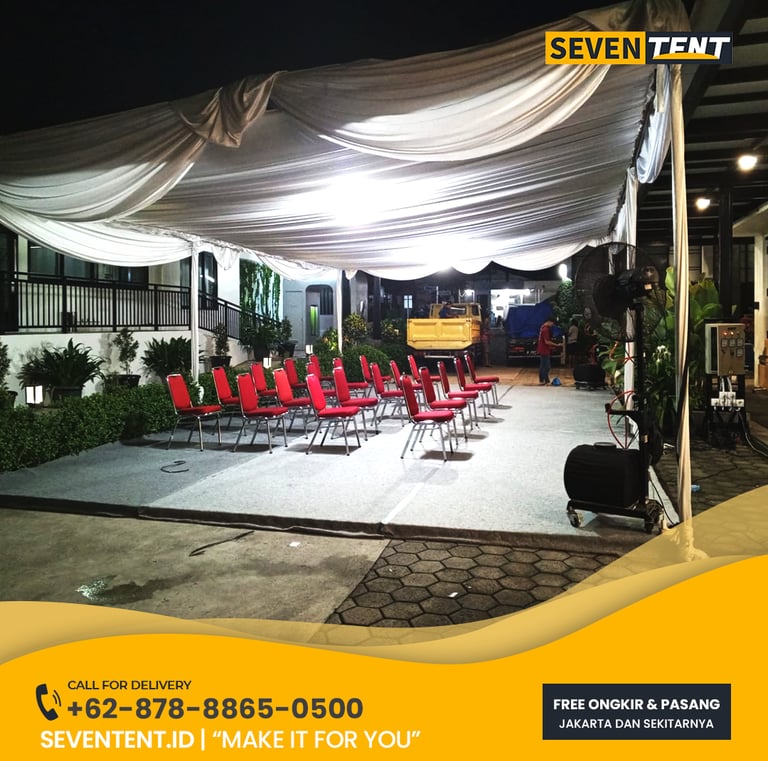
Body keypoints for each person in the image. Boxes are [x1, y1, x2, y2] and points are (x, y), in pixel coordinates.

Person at [536, 318, 561, 385]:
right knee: (546, 366)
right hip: (544, 350)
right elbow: (547, 341)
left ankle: (542, 380)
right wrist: (557, 345)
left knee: (542, 365)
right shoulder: (545, 329)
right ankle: (546, 380)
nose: (552, 325)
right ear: (549, 322)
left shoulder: (542, 328)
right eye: (552, 324)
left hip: (542, 349)